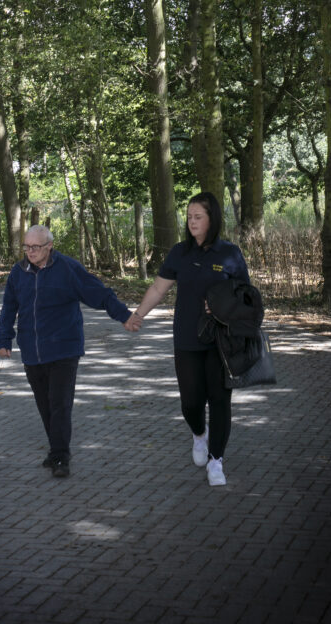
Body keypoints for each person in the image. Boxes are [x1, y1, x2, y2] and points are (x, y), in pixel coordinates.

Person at [126, 191, 250, 487]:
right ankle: (199, 434)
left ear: (212, 219)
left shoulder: (230, 254)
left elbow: (246, 297)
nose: (192, 222)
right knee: (190, 403)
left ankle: (216, 460)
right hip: (186, 337)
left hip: (221, 340)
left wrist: (223, 305)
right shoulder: (180, 253)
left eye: (198, 217)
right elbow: (158, 289)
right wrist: (138, 314)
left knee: (219, 400)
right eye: (189, 217)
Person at [0, 224, 140, 478]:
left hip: (64, 349)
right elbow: (9, 307)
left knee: (60, 404)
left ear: (50, 246)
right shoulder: (18, 273)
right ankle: (56, 450)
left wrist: (124, 316)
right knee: (45, 405)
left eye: (36, 247)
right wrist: (3, 340)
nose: (30, 251)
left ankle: (61, 456)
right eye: (26, 247)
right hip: (32, 350)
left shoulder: (68, 268)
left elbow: (99, 293)